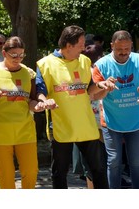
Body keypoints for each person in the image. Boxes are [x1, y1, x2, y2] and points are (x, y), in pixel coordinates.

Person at [36, 25, 110, 189]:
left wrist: (101, 85)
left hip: (85, 124)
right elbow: (39, 92)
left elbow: (89, 88)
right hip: (61, 126)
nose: (84, 48)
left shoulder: (85, 61)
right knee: (60, 172)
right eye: (81, 45)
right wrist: (43, 101)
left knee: (99, 168)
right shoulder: (45, 64)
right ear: (68, 46)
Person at [0, 36, 42, 189]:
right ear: (4, 53)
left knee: (31, 171)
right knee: (6, 174)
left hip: (24, 129)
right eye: (14, 55)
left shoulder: (29, 73)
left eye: (21, 55)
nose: (18, 58)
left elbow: (31, 100)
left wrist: (38, 106)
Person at [91, 30, 139, 189]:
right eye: (119, 50)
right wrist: (105, 88)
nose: (124, 53)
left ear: (131, 45)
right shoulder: (101, 65)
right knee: (114, 161)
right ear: (112, 46)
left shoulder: (138, 60)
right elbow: (93, 96)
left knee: (136, 161)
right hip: (111, 121)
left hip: (136, 121)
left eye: (127, 49)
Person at [72, 43, 105, 189]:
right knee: (90, 162)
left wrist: (106, 88)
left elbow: (99, 95)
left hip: (100, 119)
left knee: (99, 160)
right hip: (85, 119)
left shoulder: (95, 70)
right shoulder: (80, 70)